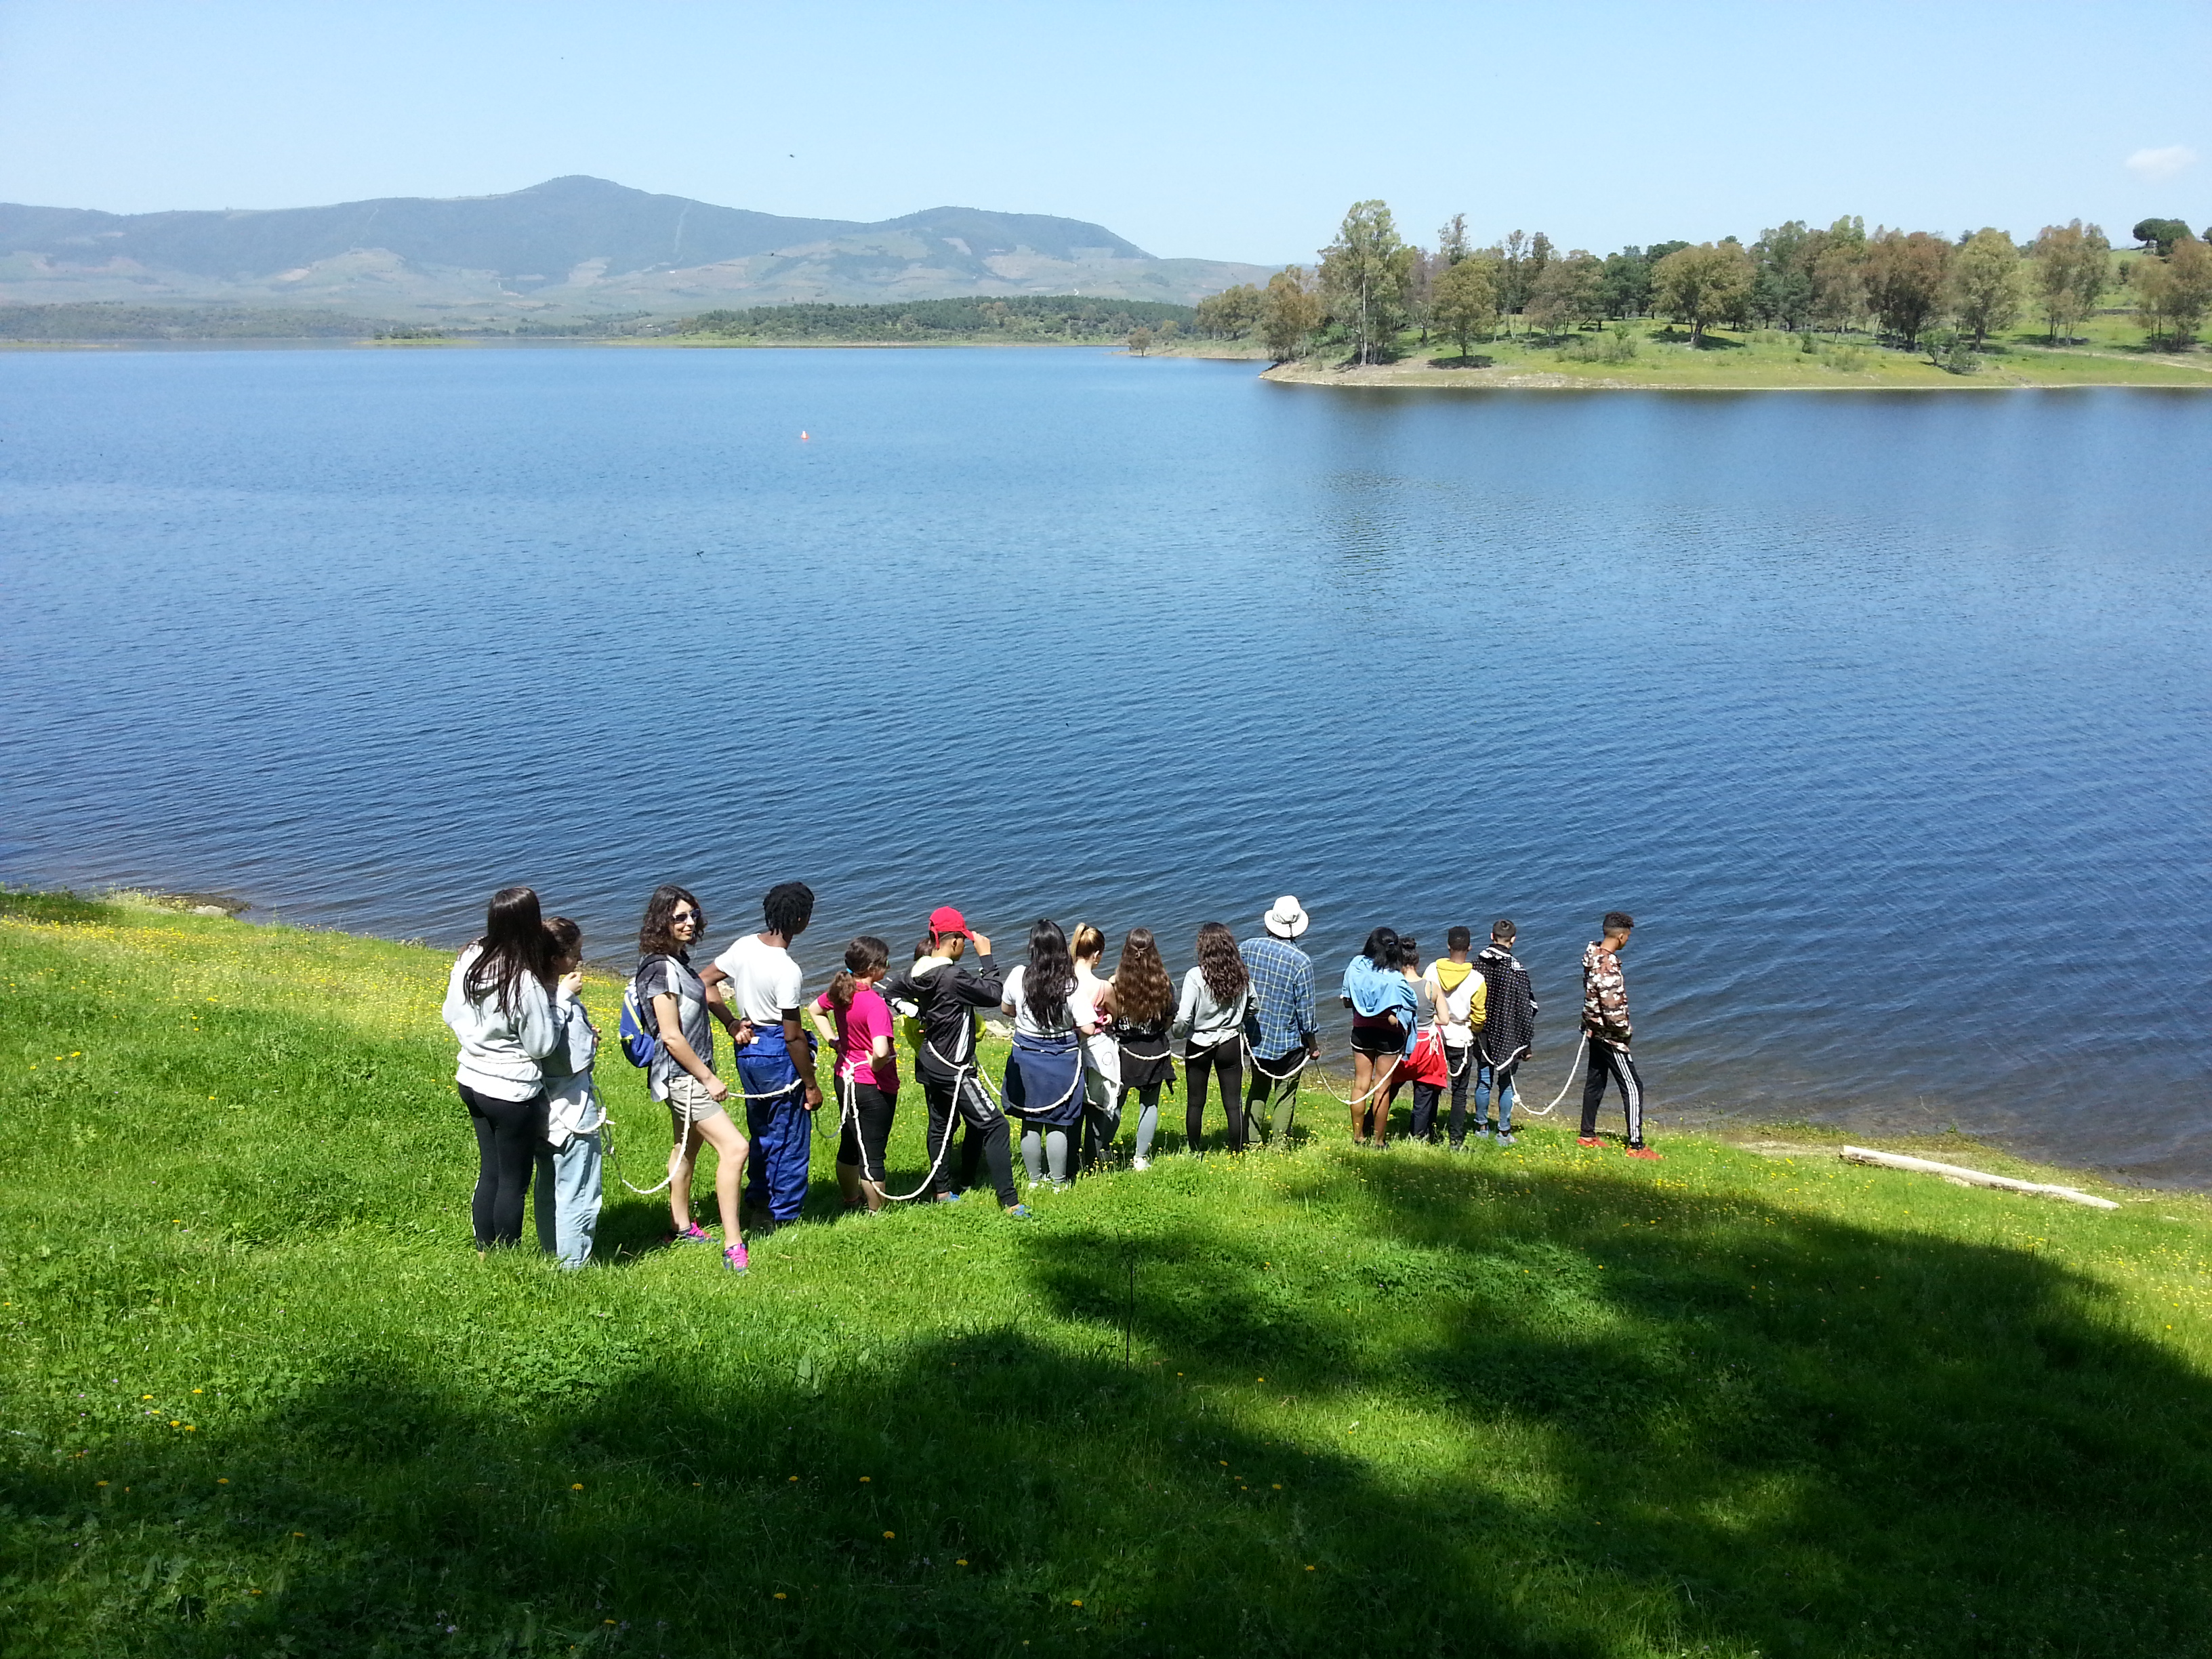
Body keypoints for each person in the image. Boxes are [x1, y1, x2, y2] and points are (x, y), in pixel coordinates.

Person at [878, 907, 1029, 1216]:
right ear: (955, 942)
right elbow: (994, 994)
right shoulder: (952, 977)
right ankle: (1011, 1203)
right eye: (964, 939)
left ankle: (943, 1191)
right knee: (996, 1126)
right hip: (953, 1068)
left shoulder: (918, 971)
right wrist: (987, 957)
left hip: (929, 1061)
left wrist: (915, 1012)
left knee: (940, 1126)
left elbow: (891, 993)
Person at [442, 886, 566, 1254]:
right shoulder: (522, 980)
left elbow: (451, 1012)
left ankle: (485, 1251)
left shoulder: (472, 957)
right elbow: (541, 1045)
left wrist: (479, 1039)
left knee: (491, 1171)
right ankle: (506, 1254)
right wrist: (557, 1004)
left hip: (471, 1078)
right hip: (511, 1090)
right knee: (514, 1180)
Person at [633, 884, 750, 1271]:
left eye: (692, 915)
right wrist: (708, 1079)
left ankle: (679, 1226)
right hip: (683, 1076)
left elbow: (703, 991)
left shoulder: (678, 960)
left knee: (686, 1147)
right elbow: (669, 1035)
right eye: (679, 917)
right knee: (735, 1149)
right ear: (660, 921)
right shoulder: (660, 969)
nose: (688, 922)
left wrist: (730, 1022)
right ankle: (734, 1245)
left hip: (691, 1073)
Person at [705, 881, 825, 1235]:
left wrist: (730, 1023)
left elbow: (704, 982)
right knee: (789, 1133)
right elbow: (792, 1035)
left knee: (761, 1129)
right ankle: (783, 1214)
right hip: (778, 1049)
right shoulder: (787, 969)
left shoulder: (744, 946)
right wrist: (811, 1084)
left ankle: (758, 1199)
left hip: (748, 1047)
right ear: (801, 920)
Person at [534, 916, 605, 1269]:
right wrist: (587, 1040)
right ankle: (573, 1264)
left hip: (540, 1108)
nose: (579, 959)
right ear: (556, 958)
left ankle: (551, 1251)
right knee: (579, 1190)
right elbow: (567, 1059)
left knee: (548, 1184)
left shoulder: (529, 993)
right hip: (572, 1108)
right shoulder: (557, 998)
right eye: (575, 953)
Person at [811, 935, 898, 1214]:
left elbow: (815, 1010)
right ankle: (876, 1213)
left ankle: (850, 1199)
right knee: (872, 1150)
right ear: (873, 969)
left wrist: (833, 1041)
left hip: (844, 1077)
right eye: (885, 963)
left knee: (850, 1142)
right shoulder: (874, 1004)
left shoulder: (840, 992)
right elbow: (881, 1050)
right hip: (872, 1086)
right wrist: (874, 1066)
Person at [1002, 918, 1091, 1189]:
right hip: (1060, 1059)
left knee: (1031, 1120)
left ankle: (1033, 1180)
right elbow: (1087, 1027)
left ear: (1033, 947)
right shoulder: (1069, 984)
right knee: (1057, 1123)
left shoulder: (1018, 975)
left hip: (1026, 1057)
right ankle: (1059, 1183)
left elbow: (1006, 1009)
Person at [1240, 896, 1319, 1147]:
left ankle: (1252, 1142)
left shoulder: (1247, 948)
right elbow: (1306, 1014)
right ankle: (1279, 1145)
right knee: (1285, 1094)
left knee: (1258, 1087)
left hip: (1254, 1036)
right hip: (1289, 1042)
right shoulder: (1302, 961)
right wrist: (1313, 1045)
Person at [1579, 910, 1658, 1160]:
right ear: (1621, 936)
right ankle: (1636, 1145)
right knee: (1634, 1087)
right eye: (1628, 937)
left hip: (1594, 1031)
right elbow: (1612, 1008)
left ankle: (1587, 1134)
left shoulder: (1592, 956)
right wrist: (1626, 1032)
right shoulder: (1608, 966)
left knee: (1596, 1080)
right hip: (1610, 1036)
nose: (1628, 940)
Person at [1172, 922, 1251, 1154]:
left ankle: (1195, 1150)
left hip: (1199, 1044)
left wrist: (1177, 1033)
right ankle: (1237, 1151)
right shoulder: (1240, 973)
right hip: (1230, 1042)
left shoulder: (1195, 976)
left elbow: (1184, 1017)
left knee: (1196, 1102)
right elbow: (1254, 1004)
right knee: (1233, 1103)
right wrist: (1237, 1020)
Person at [1107, 926, 1176, 1170]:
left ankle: (1103, 1149)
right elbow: (1168, 1020)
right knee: (1150, 1105)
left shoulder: (1115, 984)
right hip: (1155, 1050)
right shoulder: (1165, 984)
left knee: (1116, 1102)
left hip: (1124, 1052)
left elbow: (1110, 1019)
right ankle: (1141, 1158)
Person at [1341, 927, 1417, 1147]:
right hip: (1389, 1036)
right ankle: (1379, 1141)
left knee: (1360, 1084)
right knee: (1382, 1090)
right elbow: (1410, 1006)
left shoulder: (1355, 966)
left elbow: (1347, 1000)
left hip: (1361, 1031)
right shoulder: (1396, 979)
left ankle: (1358, 1137)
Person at [1420, 927, 1488, 1146]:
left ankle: (1426, 1132)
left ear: (1448, 946)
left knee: (1431, 1087)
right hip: (1462, 1038)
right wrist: (1475, 1030)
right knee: (1459, 1092)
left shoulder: (1431, 970)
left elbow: (1424, 1000)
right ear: (1469, 948)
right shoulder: (1477, 979)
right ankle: (1456, 1140)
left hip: (1435, 1035)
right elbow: (1479, 1016)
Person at [1471, 920, 1537, 1146]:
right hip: (1509, 1032)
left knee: (1483, 1081)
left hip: (1482, 1031)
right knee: (1506, 1083)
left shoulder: (1477, 963)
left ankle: (1481, 1127)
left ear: (1492, 936)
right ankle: (1504, 1132)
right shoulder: (1516, 969)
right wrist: (1526, 1043)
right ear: (1513, 940)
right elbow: (1527, 1008)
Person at [1070, 924, 1122, 1171]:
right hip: (1096, 1049)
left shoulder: (1064, 981)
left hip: (1069, 1048)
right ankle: (1091, 1158)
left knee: (1073, 1109)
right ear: (1097, 955)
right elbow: (1115, 1012)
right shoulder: (1103, 987)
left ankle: (1070, 1158)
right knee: (1097, 1107)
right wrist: (1108, 1017)